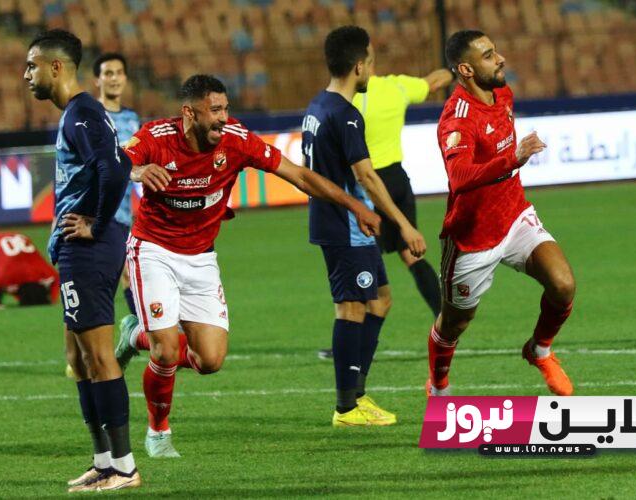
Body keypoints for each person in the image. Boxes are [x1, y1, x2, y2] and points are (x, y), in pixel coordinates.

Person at [113, 74, 381, 456]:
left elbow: (300, 176)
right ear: (189, 113)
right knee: (168, 352)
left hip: (201, 257)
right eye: (215, 110)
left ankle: (135, 334)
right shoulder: (157, 137)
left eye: (226, 109)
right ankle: (158, 432)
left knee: (210, 360)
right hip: (153, 251)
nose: (224, 118)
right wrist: (137, 171)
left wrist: (355, 206)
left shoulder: (237, 141)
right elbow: (116, 161)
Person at [427, 30, 576, 398]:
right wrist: (514, 159)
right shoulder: (457, 120)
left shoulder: (503, 93)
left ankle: (539, 349)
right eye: (489, 55)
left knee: (563, 285)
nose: (501, 59)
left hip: (514, 215)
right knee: (455, 322)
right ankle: (439, 388)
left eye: (496, 51)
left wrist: (512, 162)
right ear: (466, 69)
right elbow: (459, 177)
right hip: (473, 238)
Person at [24, 29, 140, 491]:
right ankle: (104, 460)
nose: (26, 74)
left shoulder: (82, 113)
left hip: (90, 246)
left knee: (97, 355)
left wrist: (94, 221)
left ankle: (125, 466)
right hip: (80, 247)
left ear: (56, 67)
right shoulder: (79, 112)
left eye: (32, 65)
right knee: (78, 357)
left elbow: (116, 167)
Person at [302, 25, 427, 427]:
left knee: (380, 299)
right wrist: (405, 225)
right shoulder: (346, 115)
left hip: (345, 225)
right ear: (359, 66)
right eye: (370, 61)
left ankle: (358, 391)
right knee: (351, 307)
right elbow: (368, 177)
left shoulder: (316, 107)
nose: (372, 68)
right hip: (346, 226)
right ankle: (346, 407)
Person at [317, 58, 455, 360]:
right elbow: (434, 81)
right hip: (396, 180)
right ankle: (447, 327)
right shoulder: (397, 87)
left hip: (366, 182)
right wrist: (454, 70)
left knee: (360, 265)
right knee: (411, 254)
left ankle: (348, 340)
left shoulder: (346, 97)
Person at [93, 52, 140, 316]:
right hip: (96, 212)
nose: (114, 79)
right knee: (112, 277)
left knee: (125, 274)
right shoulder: (90, 115)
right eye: (108, 73)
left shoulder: (132, 119)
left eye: (118, 73)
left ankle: (138, 333)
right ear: (97, 80)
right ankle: (141, 331)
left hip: (123, 213)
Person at [0, 231, 59, 308]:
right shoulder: (3, 278)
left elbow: (57, 279)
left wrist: (53, 300)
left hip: (20, 239)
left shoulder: (46, 273)